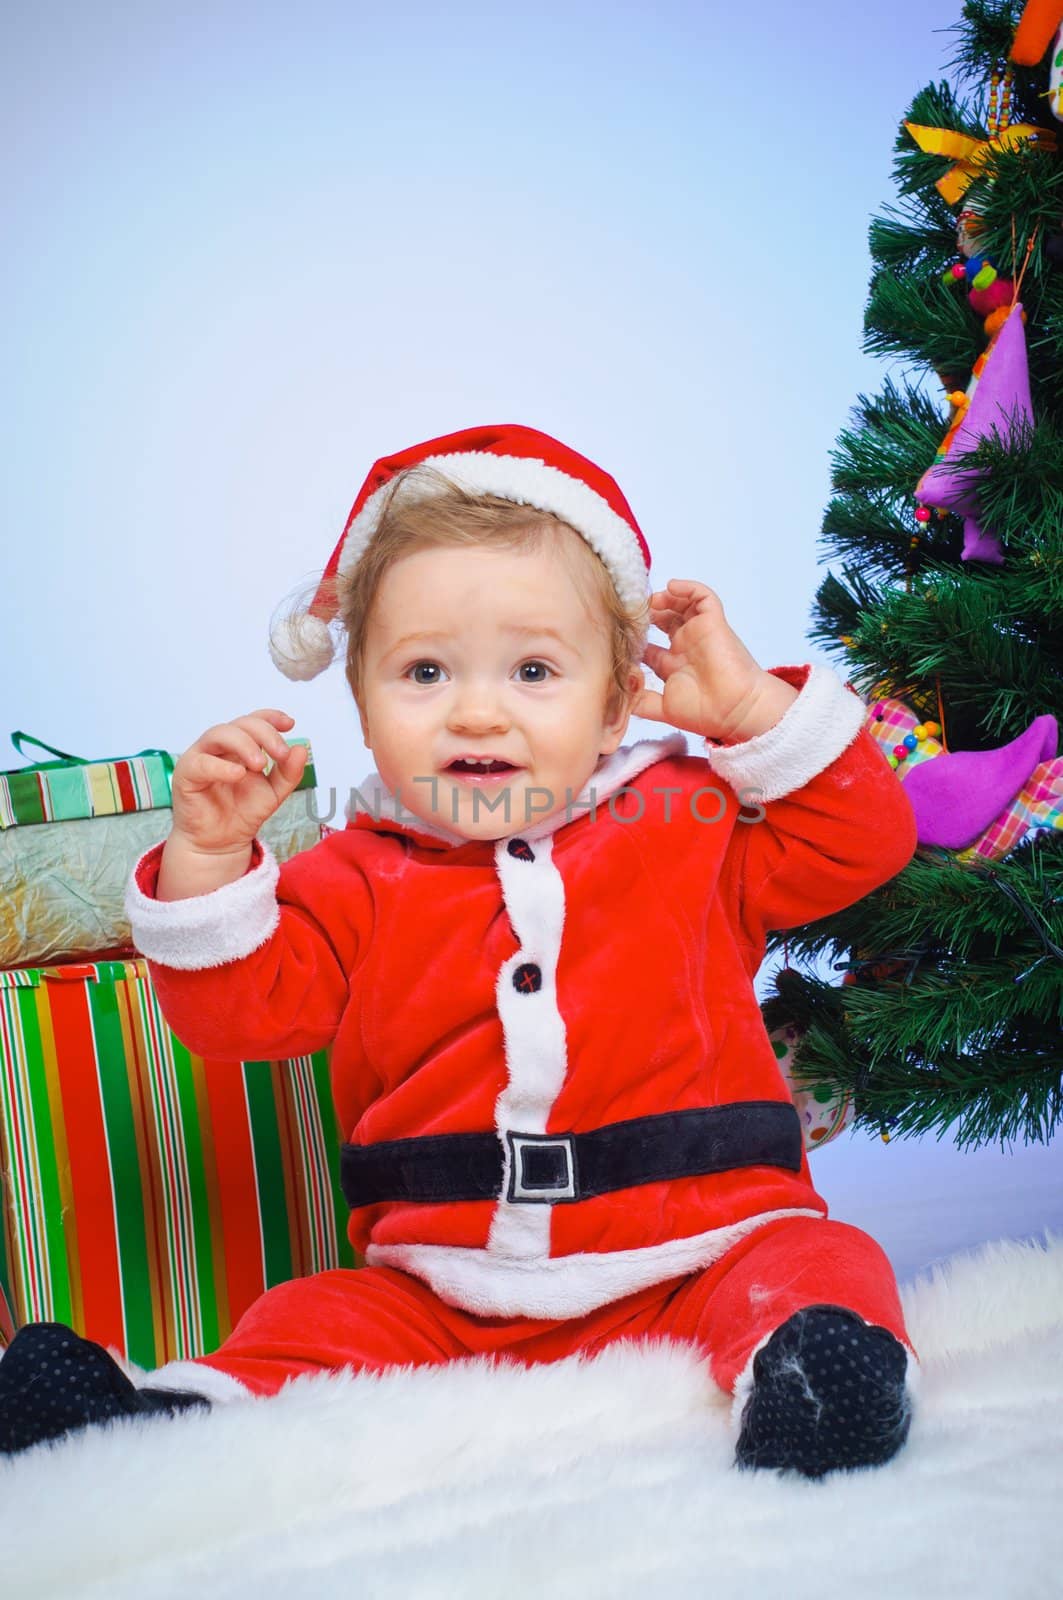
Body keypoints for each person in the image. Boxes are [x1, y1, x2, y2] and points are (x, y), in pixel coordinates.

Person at [0, 423, 919, 1476]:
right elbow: (239, 1017)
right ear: (360, 701)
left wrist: (753, 712)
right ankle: (162, 1412)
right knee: (314, 1315)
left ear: (619, 701)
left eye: (534, 668)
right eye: (424, 671)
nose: (476, 708)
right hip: (443, 1288)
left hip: (703, 1251)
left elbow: (865, 840)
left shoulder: (694, 821)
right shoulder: (350, 873)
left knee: (820, 1260)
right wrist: (209, 854)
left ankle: (810, 1378)